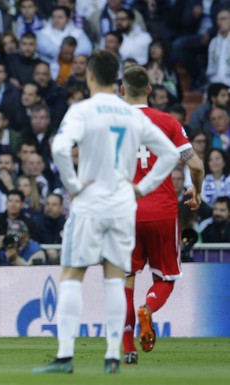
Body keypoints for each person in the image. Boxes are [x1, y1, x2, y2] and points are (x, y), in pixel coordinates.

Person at [32, 50, 179, 375]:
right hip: (123, 206)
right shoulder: (133, 116)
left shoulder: (82, 110)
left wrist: (72, 184)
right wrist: (142, 188)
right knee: (115, 278)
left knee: (72, 274)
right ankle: (113, 355)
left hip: (90, 204)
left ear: (90, 77)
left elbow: (58, 147)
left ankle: (65, 356)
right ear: (117, 80)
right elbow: (169, 155)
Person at [120, 65, 206, 364]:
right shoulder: (168, 122)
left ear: (121, 91)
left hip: (125, 213)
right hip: (162, 211)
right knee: (165, 277)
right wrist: (196, 192)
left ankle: (128, 349)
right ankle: (149, 309)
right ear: (149, 90)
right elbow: (195, 166)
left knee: (125, 282)